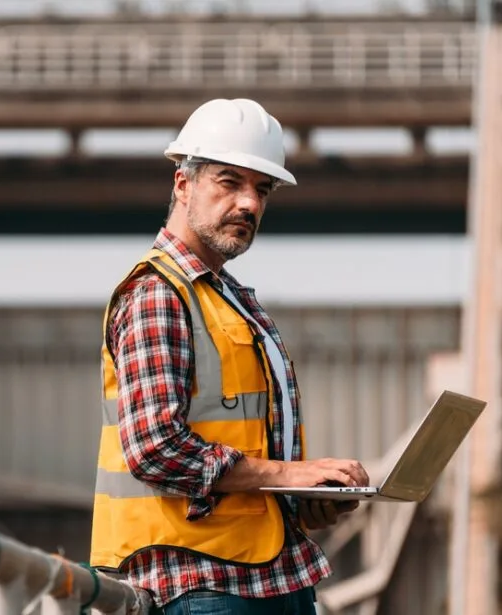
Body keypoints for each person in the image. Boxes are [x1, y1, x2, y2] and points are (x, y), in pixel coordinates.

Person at [89, 98, 370, 615]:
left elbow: (243, 448)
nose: (250, 204)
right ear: (182, 184)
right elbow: (155, 448)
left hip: (271, 575)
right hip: (202, 584)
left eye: (261, 190)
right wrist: (291, 475)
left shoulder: (231, 300)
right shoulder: (158, 293)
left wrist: (305, 500)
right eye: (229, 182)